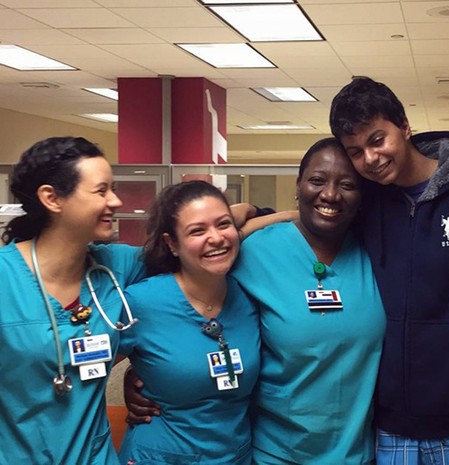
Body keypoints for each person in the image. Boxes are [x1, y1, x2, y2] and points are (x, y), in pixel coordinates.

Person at [125, 137, 386, 464]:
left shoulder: (376, 252)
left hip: (359, 452)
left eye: (347, 184)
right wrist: (151, 376)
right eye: (317, 180)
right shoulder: (254, 252)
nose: (330, 194)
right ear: (299, 184)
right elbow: (198, 284)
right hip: (275, 453)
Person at [329, 76, 449, 465]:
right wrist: (248, 217)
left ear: (404, 126)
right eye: (355, 151)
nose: (370, 158)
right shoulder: (366, 200)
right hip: (392, 427)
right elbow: (316, 218)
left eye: (377, 139)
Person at [0, 137, 145, 464]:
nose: (117, 201)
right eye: (102, 190)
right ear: (52, 198)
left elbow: (194, 238)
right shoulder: (5, 279)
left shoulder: (116, 267)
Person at [117, 180, 260, 465]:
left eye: (223, 224)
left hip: (235, 456)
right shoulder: (142, 302)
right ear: (172, 244)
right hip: (160, 456)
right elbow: (83, 378)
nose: (216, 238)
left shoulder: (249, 296)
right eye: (198, 230)